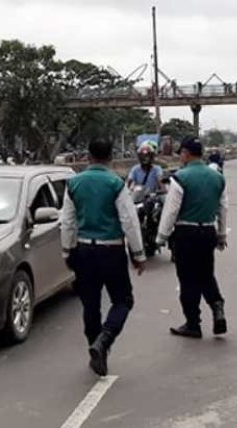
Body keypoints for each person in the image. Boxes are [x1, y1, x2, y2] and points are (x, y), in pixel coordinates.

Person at [61, 139, 146, 376]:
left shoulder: (73, 183)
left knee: (90, 304)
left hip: (84, 250)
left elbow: (67, 222)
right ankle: (105, 340)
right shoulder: (115, 183)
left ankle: (95, 347)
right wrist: (138, 254)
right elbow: (129, 221)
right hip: (111, 251)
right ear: (110, 158)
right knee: (123, 300)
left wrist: (66, 251)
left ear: (88, 156)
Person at [156, 137, 228, 339]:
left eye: (181, 153)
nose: (180, 157)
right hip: (208, 232)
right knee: (206, 274)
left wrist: (161, 237)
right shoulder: (217, 177)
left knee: (187, 279)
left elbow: (171, 211)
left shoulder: (180, 177)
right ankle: (217, 306)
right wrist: (221, 234)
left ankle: (193, 323)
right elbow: (223, 208)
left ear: (186, 153)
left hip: (186, 234)